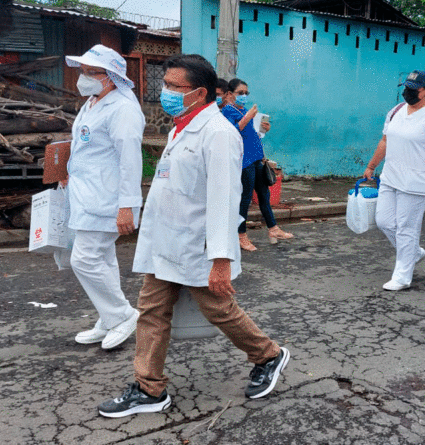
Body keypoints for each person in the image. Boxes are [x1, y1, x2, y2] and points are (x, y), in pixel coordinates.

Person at [98, 54, 289, 418]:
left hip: (197, 246)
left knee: (219, 310)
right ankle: (149, 388)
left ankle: (269, 355)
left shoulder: (218, 134)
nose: (165, 91)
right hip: (164, 242)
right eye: (164, 84)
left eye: (173, 86)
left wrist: (220, 260)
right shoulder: (179, 127)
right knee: (151, 312)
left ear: (200, 92)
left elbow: (224, 200)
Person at [63, 44, 144, 350]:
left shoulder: (123, 108)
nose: (83, 78)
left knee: (83, 259)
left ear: (111, 76)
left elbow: (129, 160)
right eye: (82, 71)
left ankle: (122, 315)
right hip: (87, 194)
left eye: (91, 72)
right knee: (102, 259)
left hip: (107, 199)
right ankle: (108, 317)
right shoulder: (95, 101)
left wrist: (127, 206)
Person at [362, 70, 425, 291]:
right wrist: (371, 165)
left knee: (406, 228)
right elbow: (385, 140)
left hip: (417, 182)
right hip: (391, 177)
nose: (408, 92)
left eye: (414, 88)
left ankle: (402, 276)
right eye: (406, 87)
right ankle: (414, 253)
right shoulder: (396, 111)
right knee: (383, 221)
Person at [221, 78, 292, 251]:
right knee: (245, 199)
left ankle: (273, 229)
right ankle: (241, 235)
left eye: (246, 93)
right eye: (240, 93)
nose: (244, 96)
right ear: (230, 94)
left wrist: (263, 129)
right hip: (244, 161)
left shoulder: (244, 110)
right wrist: (248, 117)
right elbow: (233, 132)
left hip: (257, 158)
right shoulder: (227, 112)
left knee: (263, 195)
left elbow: (252, 135)